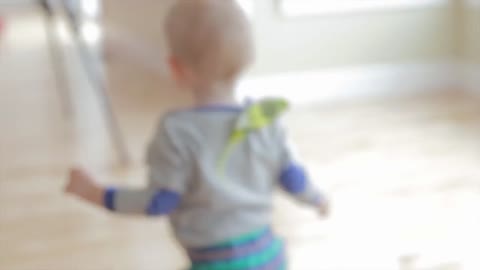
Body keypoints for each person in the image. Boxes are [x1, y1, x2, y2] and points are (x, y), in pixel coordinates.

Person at [65, 0, 329, 269]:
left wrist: (96, 193)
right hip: (268, 257)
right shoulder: (265, 123)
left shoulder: (176, 132)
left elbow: (160, 202)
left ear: (177, 69)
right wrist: (318, 199)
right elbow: (293, 178)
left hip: (213, 262)